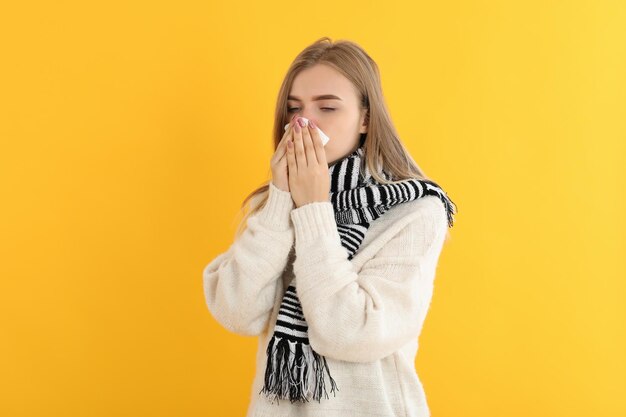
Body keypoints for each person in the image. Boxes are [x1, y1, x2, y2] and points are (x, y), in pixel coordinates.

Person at [203, 36, 457, 417]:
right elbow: (236, 312)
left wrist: (314, 210)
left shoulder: (416, 212)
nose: (305, 123)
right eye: (294, 109)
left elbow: (353, 332)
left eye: (327, 107)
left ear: (366, 118)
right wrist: (280, 203)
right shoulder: (273, 203)